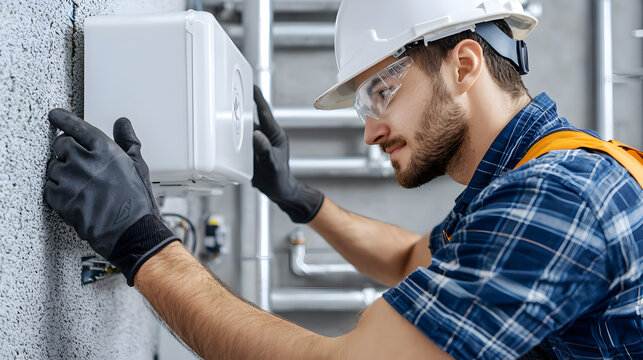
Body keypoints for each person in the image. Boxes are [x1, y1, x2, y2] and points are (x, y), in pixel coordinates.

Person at [44, 0, 643, 359]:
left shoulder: (561, 199)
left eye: (383, 91)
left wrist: (141, 243)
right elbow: (412, 255)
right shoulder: (530, 176)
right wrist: (298, 199)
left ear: (464, 64)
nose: (371, 131)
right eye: (364, 106)